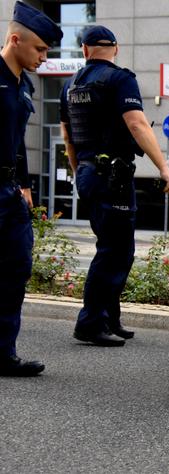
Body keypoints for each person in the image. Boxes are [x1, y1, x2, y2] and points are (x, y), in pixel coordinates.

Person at [60, 26, 169, 347]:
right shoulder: (120, 79)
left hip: (87, 173)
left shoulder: (70, 85)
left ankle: (109, 317)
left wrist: (79, 173)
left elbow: (68, 137)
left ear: (85, 50)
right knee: (116, 251)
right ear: (115, 48)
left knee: (110, 246)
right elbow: (137, 123)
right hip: (112, 176)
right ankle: (90, 323)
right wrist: (165, 167)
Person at [0, 2, 62, 377]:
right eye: (39, 49)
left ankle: (3, 353)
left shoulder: (25, 83)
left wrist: (24, 184)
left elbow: (19, 140)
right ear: (14, 38)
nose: (44, 57)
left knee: (16, 268)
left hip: (9, 191)